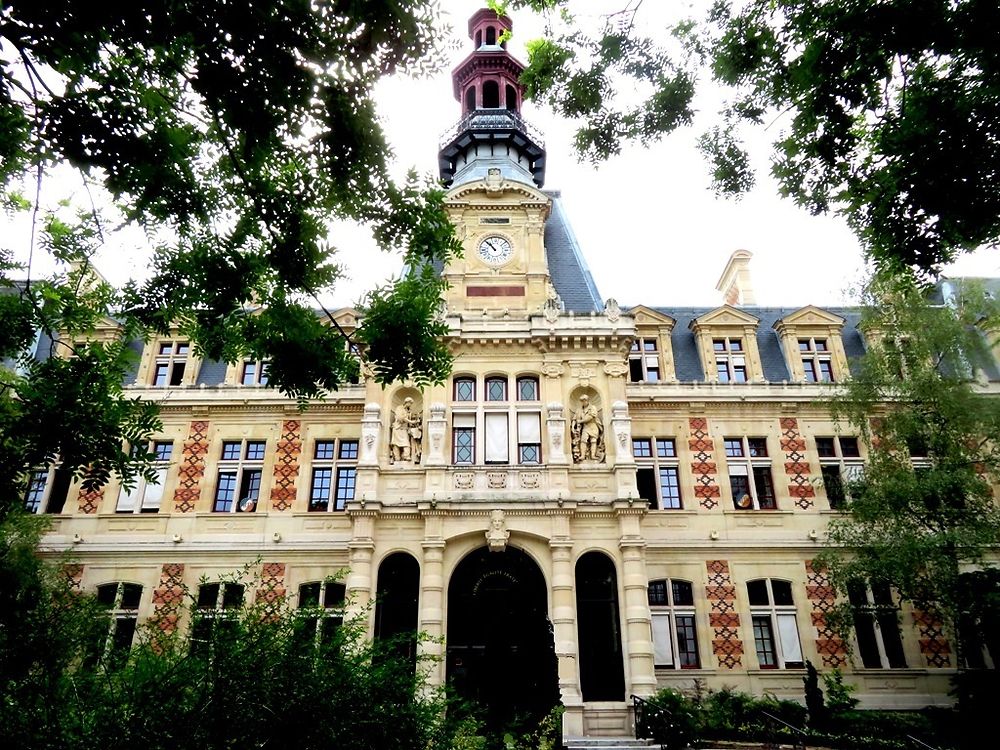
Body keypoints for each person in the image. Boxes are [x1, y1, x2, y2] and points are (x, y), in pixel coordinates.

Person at [572, 394, 603, 462]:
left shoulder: (593, 408)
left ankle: (593, 455)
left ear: (587, 400)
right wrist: (572, 427)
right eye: (582, 401)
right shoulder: (579, 410)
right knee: (583, 440)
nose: (583, 402)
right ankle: (582, 455)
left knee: (593, 440)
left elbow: (591, 417)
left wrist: (581, 421)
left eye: (585, 400)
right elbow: (574, 419)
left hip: (593, 426)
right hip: (585, 427)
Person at [391, 397, 416, 463]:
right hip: (398, 428)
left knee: (406, 443)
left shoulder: (408, 410)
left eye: (411, 403)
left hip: (404, 429)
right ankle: (397, 457)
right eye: (410, 403)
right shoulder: (399, 408)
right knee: (396, 444)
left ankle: (406, 456)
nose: (410, 405)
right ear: (406, 402)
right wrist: (411, 422)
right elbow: (401, 418)